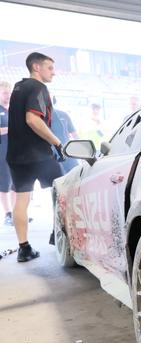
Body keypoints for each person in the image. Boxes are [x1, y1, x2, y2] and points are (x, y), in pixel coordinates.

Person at [6, 52, 64, 262]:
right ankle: (60, 236)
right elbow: (33, 120)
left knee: (22, 199)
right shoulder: (39, 87)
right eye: (50, 68)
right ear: (37, 67)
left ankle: (24, 248)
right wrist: (57, 143)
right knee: (60, 194)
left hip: (16, 155)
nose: (53, 73)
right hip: (39, 155)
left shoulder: (18, 88)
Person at [51, 95, 80, 173]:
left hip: (67, 153)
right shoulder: (38, 118)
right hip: (50, 156)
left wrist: (82, 153)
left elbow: (75, 135)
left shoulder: (63, 115)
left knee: (76, 175)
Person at [0, 80, 15, 226]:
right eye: (5, 93)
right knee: (4, 185)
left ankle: (16, 214)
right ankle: (7, 214)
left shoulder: (12, 110)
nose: (8, 96)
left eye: (9, 93)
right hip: (1, 154)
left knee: (15, 184)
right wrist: (11, 129)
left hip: (15, 153)